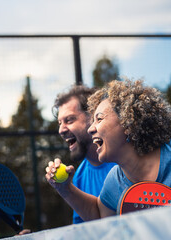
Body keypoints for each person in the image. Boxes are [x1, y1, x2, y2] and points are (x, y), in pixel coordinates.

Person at [45, 79, 171, 221]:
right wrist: (65, 189)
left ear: (128, 122)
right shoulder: (115, 181)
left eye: (99, 119)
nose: (91, 128)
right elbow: (100, 216)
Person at [51, 85, 116, 224]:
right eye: (59, 123)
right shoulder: (78, 177)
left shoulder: (124, 160)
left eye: (69, 120)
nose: (61, 130)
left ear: (93, 118)